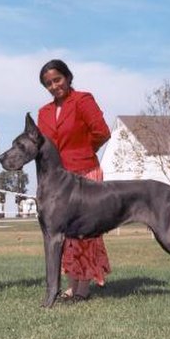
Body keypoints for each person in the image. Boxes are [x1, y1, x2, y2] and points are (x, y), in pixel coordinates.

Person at [37, 59, 111, 303]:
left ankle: (83, 287)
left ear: (68, 77)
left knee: (86, 234)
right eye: (48, 83)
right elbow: (43, 147)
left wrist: (82, 152)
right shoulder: (44, 112)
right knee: (65, 236)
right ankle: (71, 285)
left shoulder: (83, 100)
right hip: (58, 182)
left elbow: (102, 131)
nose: (54, 86)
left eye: (57, 80)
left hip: (84, 174)